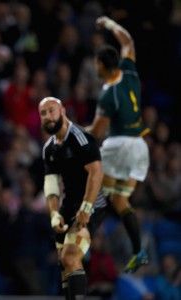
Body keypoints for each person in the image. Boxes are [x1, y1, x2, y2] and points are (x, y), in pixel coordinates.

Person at [87, 16, 150, 273]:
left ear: (102, 65)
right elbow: (128, 41)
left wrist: (70, 127)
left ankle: (83, 238)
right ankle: (139, 250)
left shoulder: (108, 94)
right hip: (139, 147)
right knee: (120, 199)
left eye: (96, 64)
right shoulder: (131, 71)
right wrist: (111, 24)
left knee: (94, 186)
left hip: (119, 145)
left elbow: (97, 131)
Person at [40, 97, 106, 299]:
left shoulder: (80, 138)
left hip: (92, 203)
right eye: (43, 113)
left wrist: (86, 208)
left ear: (62, 110)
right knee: (65, 264)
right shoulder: (49, 149)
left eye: (51, 111)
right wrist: (54, 214)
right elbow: (51, 185)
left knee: (70, 256)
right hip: (68, 206)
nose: (48, 117)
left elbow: (96, 173)